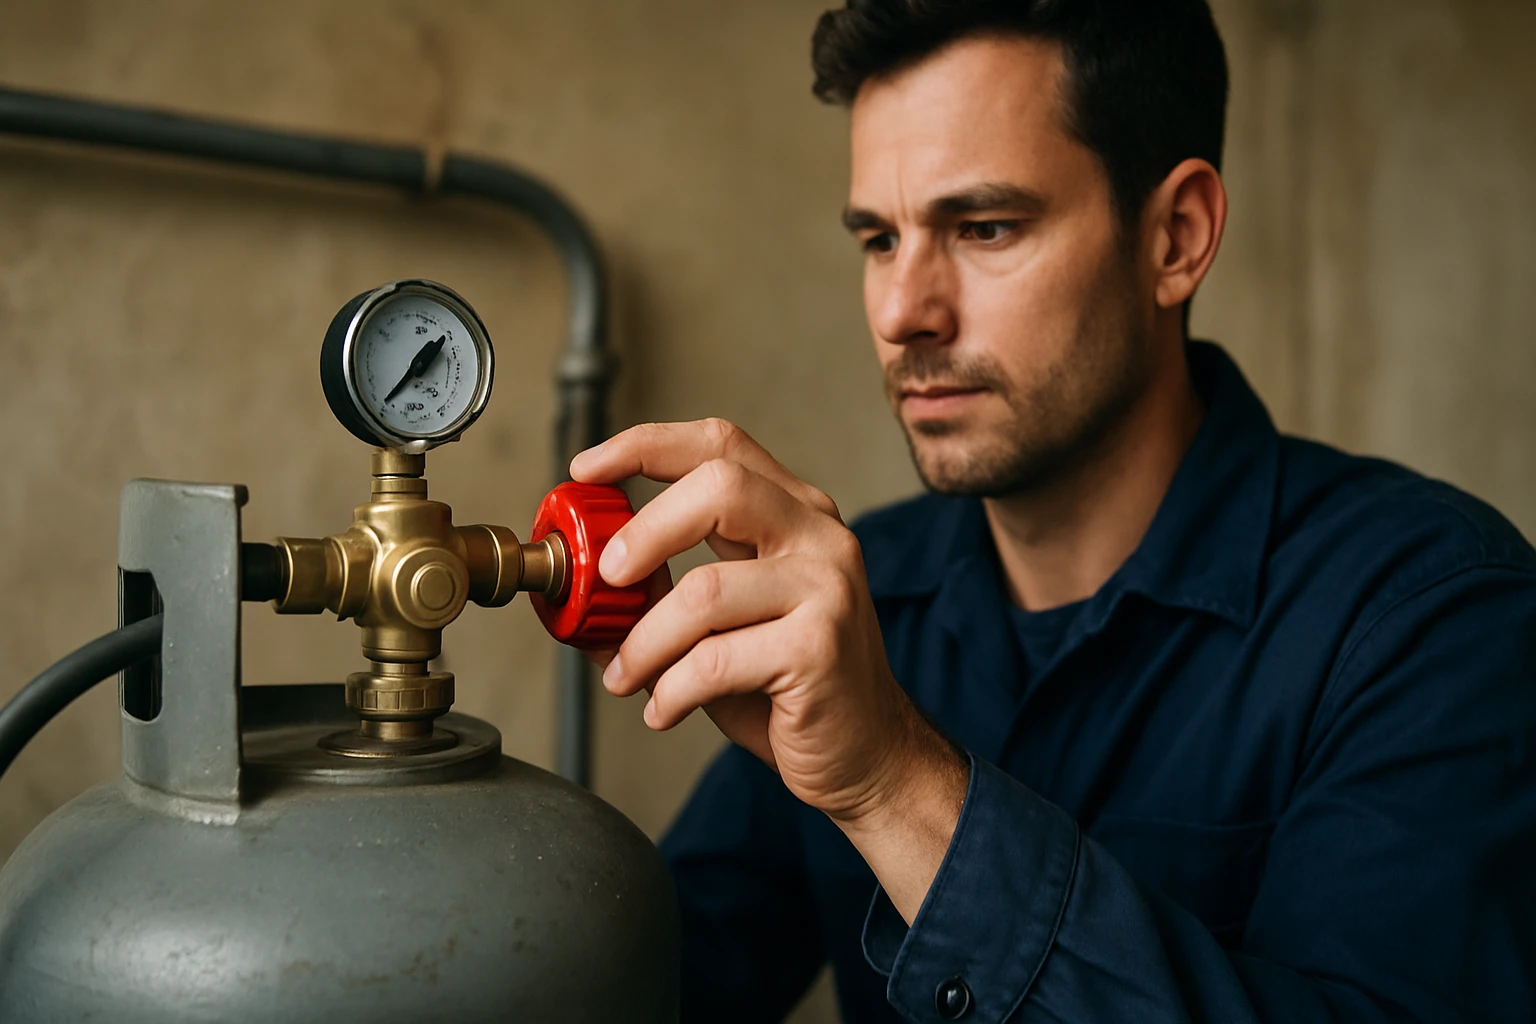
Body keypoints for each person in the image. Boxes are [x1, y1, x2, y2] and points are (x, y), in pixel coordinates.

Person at [568, 1, 1536, 1021]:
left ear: (1176, 236)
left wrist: (895, 782)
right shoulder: (859, 598)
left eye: (984, 227)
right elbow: (658, 986)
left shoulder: (1437, 620)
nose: (904, 312)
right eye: (879, 238)